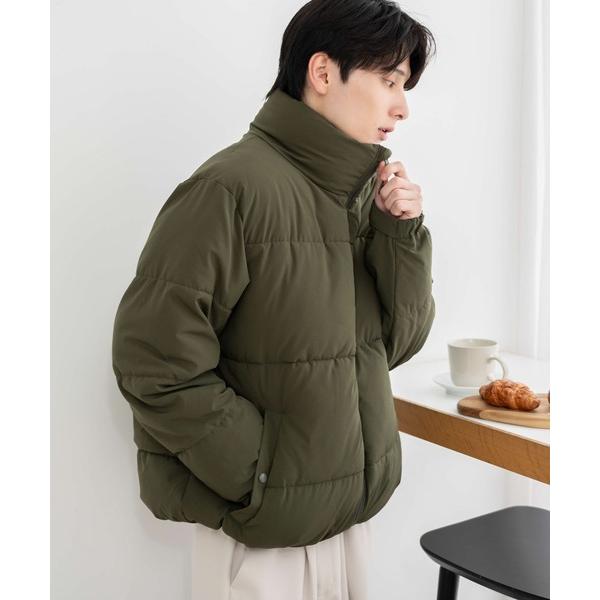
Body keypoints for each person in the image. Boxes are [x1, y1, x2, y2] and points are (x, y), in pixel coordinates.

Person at [111, 0, 437, 597]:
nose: (402, 107)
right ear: (323, 72)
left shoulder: (360, 196)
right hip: (262, 543)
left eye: (405, 87)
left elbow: (394, 345)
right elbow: (153, 362)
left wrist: (401, 234)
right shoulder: (229, 188)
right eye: (389, 81)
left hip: (347, 522)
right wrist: (264, 472)